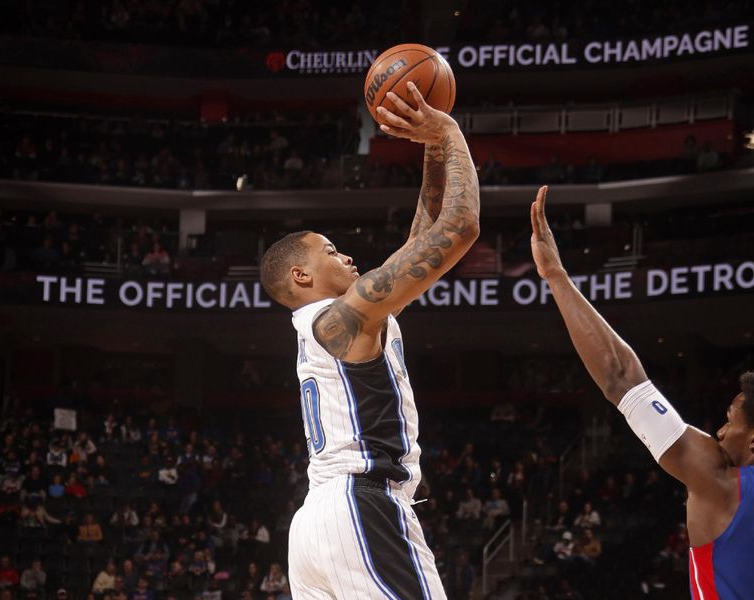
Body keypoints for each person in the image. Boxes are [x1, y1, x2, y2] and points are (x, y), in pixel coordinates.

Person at [259, 81, 480, 599]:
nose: (348, 258)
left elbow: (420, 242)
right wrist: (449, 131)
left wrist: (428, 148)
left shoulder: (339, 323)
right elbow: (461, 227)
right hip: (363, 505)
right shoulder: (345, 318)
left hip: (318, 522)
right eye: (331, 252)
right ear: (301, 275)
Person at [528, 185, 754, 599]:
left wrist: (557, 278)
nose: (719, 433)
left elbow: (622, 378)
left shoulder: (722, 481)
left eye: (730, 422)